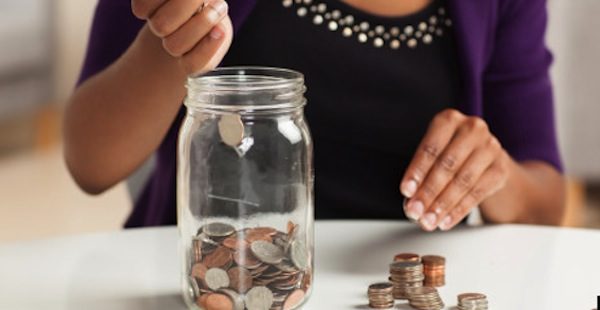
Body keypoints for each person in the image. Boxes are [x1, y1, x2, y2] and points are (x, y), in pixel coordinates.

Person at [64, 0, 565, 231]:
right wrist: (173, 41)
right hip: (213, 280)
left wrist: (493, 176)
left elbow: (547, 199)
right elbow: (91, 164)